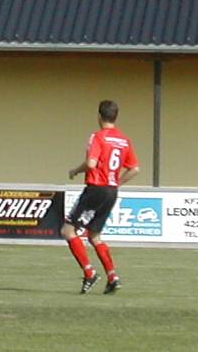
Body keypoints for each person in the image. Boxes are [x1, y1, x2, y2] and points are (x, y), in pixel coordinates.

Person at [62, 100, 139, 295]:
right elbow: (134, 169)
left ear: (99, 116)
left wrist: (75, 170)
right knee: (94, 235)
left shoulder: (98, 137)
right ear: (116, 117)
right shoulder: (124, 140)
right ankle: (113, 277)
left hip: (96, 188)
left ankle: (89, 273)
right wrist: (116, 182)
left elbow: (91, 163)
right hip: (111, 191)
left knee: (68, 231)